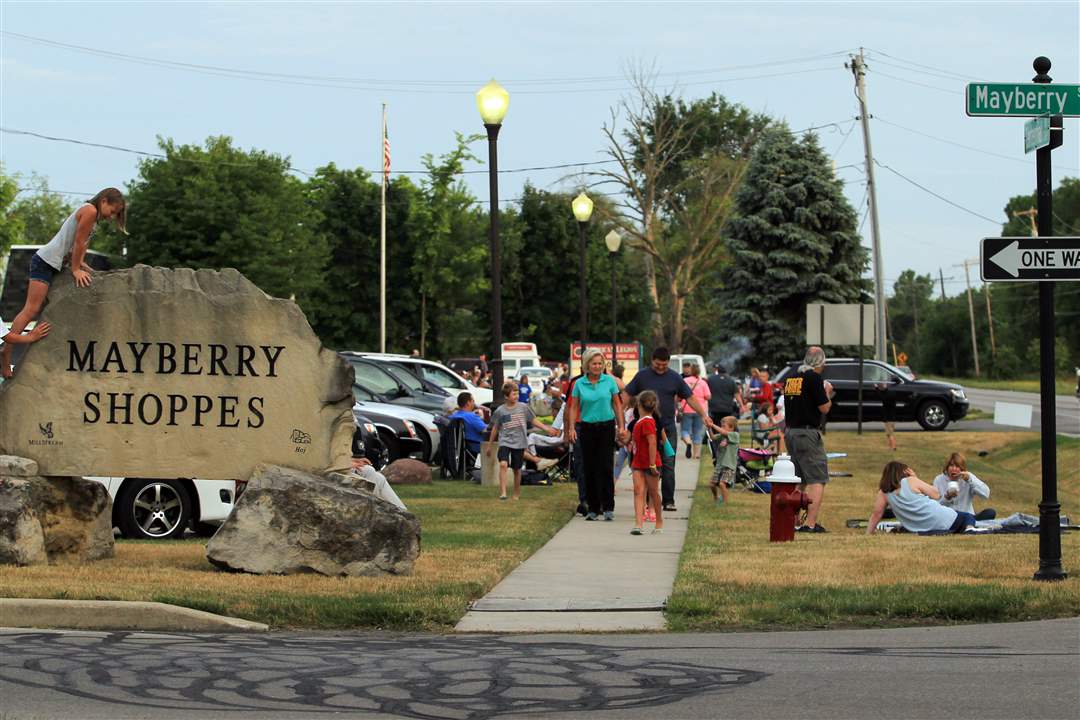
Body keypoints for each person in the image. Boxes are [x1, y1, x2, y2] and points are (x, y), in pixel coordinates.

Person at [2, 188, 126, 378]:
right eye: (113, 211)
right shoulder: (90, 211)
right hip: (45, 262)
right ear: (104, 201)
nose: (112, 216)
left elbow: (81, 245)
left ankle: (7, 351)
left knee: (33, 308)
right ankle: (6, 352)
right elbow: (78, 241)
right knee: (31, 309)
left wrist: (82, 264)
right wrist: (75, 269)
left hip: (55, 263)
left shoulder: (92, 217)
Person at [625, 347, 715, 513]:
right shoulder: (642, 376)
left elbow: (690, 397)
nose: (661, 368)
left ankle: (668, 500)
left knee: (668, 464)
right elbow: (626, 395)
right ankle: (647, 501)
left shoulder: (674, 377)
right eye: (658, 364)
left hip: (667, 428)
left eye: (664, 365)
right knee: (645, 464)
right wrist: (618, 417)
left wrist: (703, 414)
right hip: (644, 428)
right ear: (652, 360)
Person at [567, 348, 624, 521]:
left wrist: (621, 426)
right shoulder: (579, 384)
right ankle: (593, 508)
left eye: (600, 363)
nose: (598, 366)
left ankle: (608, 507)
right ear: (587, 365)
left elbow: (617, 404)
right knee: (589, 467)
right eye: (594, 364)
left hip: (606, 426)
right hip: (587, 427)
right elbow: (574, 407)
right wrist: (570, 428)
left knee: (606, 466)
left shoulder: (609, 382)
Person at [782, 346, 834, 533]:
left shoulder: (791, 378)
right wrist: (827, 391)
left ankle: (794, 520)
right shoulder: (813, 378)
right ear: (820, 361)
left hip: (791, 432)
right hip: (807, 433)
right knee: (817, 479)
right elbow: (824, 408)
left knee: (799, 478)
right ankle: (810, 524)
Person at [867, 461, 975, 534]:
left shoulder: (883, 492)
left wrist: (869, 533)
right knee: (968, 517)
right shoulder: (910, 481)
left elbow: (877, 514)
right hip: (945, 520)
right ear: (902, 472)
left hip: (919, 528)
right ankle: (970, 529)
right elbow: (936, 494)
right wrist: (915, 478)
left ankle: (967, 529)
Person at [490, 381, 554, 500]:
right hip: (505, 441)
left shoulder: (523, 407)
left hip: (519, 442)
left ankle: (516, 493)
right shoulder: (500, 411)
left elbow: (533, 420)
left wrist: (546, 428)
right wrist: (490, 445)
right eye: (514, 394)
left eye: (517, 394)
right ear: (506, 396)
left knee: (517, 469)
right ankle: (503, 493)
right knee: (503, 464)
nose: (517, 396)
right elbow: (495, 428)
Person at [629, 390, 664, 535]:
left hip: (650, 462)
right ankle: (638, 524)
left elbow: (652, 443)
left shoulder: (648, 422)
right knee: (638, 491)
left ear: (638, 405)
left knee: (654, 492)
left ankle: (659, 522)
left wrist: (652, 464)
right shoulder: (639, 422)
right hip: (638, 462)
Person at [932, 452, 995, 520]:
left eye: (957, 466)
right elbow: (935, 507)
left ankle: (970, 523)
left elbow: (986, 494)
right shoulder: (939, 480)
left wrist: (970, 480)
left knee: (990, 512)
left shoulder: (968, 477)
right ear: (947, 468)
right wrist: (947, 497)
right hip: (948, 518)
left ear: (962, 468)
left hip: (967, 517)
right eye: (951, 466)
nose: (954, 469)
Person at [706, 364, 743, 456]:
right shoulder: (730, 380)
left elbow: (706, 393)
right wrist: (742, 405)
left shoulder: (710, 379)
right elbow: (736, 394)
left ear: (717, 370)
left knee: (716, 430)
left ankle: (716, 449)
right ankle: (729, 445)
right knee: (728, 428)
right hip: (727, 409)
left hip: (714, 408)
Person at [679, 363, 711, 460]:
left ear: (690, 371)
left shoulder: (684, 381)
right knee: (697, 432)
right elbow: (708, 396)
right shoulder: (702, 382)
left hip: (687, 409)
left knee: (685, 430)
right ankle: (696, 454)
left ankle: (688, 442)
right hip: (700, 409)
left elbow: (679, 395)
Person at [710, 416, 740, 506]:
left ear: (731, 427)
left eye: (724, 426)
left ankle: (725, 503)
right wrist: (709, 427)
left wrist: (713, 425)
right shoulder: (722, 436)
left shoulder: (735, 435)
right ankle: (716, 498)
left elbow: (723, 432)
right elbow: (712, 437)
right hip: (720, 464)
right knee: (712, 484)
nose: (722, 428)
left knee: (722, 484)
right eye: (721, 426)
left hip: (729, 465)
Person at [449, 391, 488, 456]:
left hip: (459, 447)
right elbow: (485, 430)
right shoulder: (472, 416)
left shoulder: (453, 416)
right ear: (468, 403)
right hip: (476, 446)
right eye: (473, 400)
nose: (474, 403)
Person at [875, 381, 897, 451]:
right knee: (889, 434)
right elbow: (883, 393)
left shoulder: (886, 398)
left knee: (890, 434)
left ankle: (893, 447)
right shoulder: (891, 395)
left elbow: (881, 395)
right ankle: (891, 447)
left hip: (889, 419)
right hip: (891, 418)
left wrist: (876, 388)